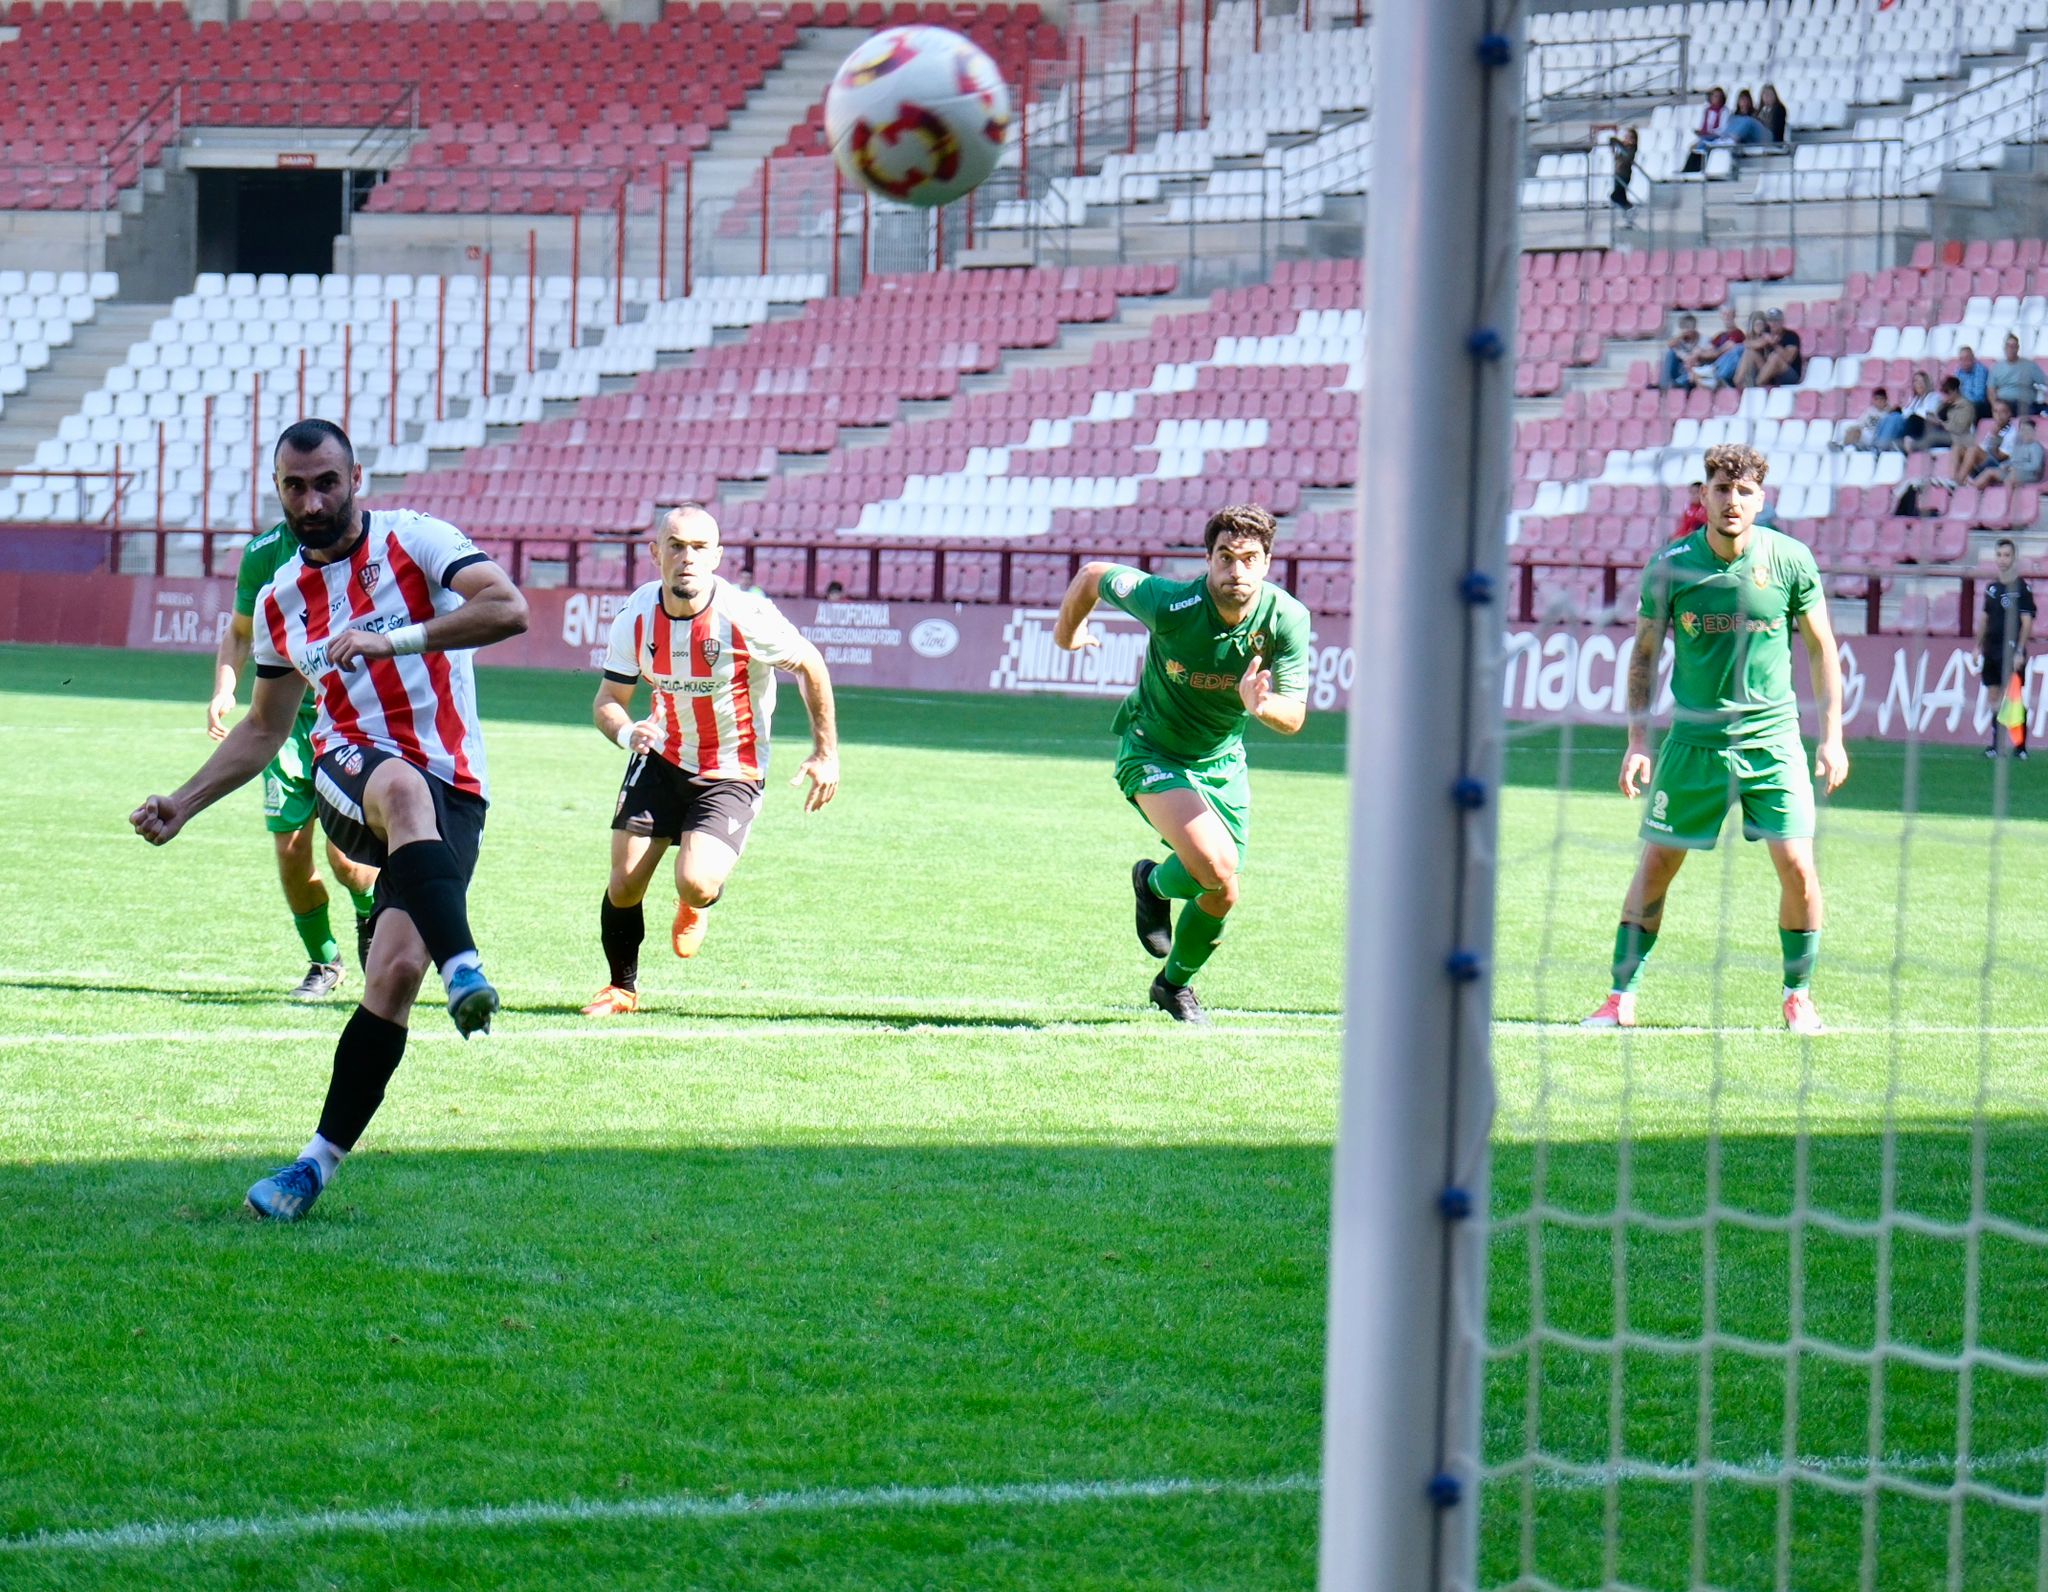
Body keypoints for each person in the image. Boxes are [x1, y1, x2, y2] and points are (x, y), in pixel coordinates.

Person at [130, 419, 529, 1221]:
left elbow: (508, 609)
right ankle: (469, 972)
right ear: (277, 490)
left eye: (325, 484)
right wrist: (186, 800)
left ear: (356, 481)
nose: (310, 501)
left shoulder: (417, 541)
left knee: (393, 975)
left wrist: (397, 642)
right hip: (351, 764)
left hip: (458, 782)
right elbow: (265, 728)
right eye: (293, 487)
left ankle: (311, 1169)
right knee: (402, 793)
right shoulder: (281, 600)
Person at [1582, 443, 1849, 1035]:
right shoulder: (1670, 564)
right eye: (1722, 490)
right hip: (1694, 744)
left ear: (1761, 498)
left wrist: (1831, 737)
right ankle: (1618, 998)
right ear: (1703, 496)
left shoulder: (1791, 560)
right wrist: (1637, 741)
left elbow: (1820, 648)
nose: (1732, 501)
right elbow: (1645, 655)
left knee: (1799, 868)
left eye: (1744, 491)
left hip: (1774, 742)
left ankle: (1798, 997)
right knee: (1655, 867)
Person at [1049, 504, 1312, 1025]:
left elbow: (1295, 715)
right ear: (1208, 559)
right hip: (1153, 750)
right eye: (1225, 557)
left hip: (1221, 762)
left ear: (1267, 562)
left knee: (1223, 889)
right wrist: (1067, 636)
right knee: (1214, 868)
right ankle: (1156, 889)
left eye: (1249, 559)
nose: (1236, 571)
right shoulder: (1172, 603)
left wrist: (1262, 707)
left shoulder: (1287, 619)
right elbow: (1093, 576)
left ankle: (1172, 979)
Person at [581, 504, 840, 1017]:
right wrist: (628, 731)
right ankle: (621, 988)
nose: (687, 558)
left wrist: (825, 753)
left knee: (696, 882)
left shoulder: (746, 617)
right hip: (661, 758)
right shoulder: (635, 617)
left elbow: (810, 663)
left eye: (700, 548)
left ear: (717, 557)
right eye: (675, 545)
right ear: (656, 554)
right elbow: (608, 699)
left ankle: (693, 903)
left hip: (732, 768)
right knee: (625, 880)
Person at [209, 519, 381, 999]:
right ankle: (324, 960)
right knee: (289, 852)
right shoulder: (263, 553)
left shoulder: (361, 545)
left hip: (347, 716)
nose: (310, 502)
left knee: (347, 861)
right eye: (295, 486)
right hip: (283, 725)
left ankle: (371, 917)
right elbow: (240, 632)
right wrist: (226, 689)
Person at [1975, 537, 2035, 760]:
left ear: (2014, 558)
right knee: (1993, 694)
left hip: (2011, 650)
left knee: (2014, 697)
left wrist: (2020, 650)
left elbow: (2027, 621)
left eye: (2007, 555)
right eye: (1999, 555)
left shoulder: (2021, 588)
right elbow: (1985, 618)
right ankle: (1996, 745)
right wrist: (1976, 646)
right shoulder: (1991, 588)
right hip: (1991, 649)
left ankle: (2020, 747)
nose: (2002, 559)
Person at [1975, 413, 2043, 488]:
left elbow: (2035, 466)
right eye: (2022, 430)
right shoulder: (2019, 446)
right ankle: (1972, 490)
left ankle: (2007, 499)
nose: (2025, 433)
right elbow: (2012, 460)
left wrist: (2017, 467)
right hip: (2012, 472)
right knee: (1989, 471)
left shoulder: (2036, 447)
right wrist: (2005, 465)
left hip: (2029, 475)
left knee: (2011, 477)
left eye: (2028, 430)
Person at [1958, 396, 2016, 483]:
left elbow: (2000, 457)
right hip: (1985, 463)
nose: (1998, 416)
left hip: (1999, 468)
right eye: (1995, 411)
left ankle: (1958, 483)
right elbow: (1983, 448)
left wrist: (1995, 438)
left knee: (1973, 449)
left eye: (2003, 412)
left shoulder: (2013, 433)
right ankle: (1953, 479)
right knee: (1958, 447)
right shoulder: (1995, 429)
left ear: (2009, 414)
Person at [1936, 375, 1981, 482]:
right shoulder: (1946, 405)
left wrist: (1943, 424)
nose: (1945, 396)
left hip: (1957, 437)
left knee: (1955, 446)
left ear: (1955, 391)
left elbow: (1960, 428)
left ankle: (1953, 480)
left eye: (1947, 392)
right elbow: (1938, 416)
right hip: (1946, 435)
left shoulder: (1966, 406)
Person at [1990, 333, 2047, 416]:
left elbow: (2044, 381)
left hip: (2025, 403)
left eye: (2013, 346)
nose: (2011, 349)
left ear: (2018, 348)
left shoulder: (2029, 365)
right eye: (2008, 346)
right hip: (2004, 403)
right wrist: (1994, 404)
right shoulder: (1996, 367)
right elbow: (1991, 389)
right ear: (2004, 348)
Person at [1682, 87, 1729, 171]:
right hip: (1706, 136)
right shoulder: (1707, 110)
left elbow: (1722, 129)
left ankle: (1695, 168)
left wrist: (1709, 133)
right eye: (1714, 96)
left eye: (1718, 96)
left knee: (1701, 144)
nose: (1716, 98)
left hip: (1717, 136)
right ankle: (1690, 168)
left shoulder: (1724, 111)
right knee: (1693, 146)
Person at [1698, 305, 1746, 386]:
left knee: (1734, 351)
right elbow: (1707, 351)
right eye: (1724, 314)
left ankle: (1712, 369)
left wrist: (1716, 352)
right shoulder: (1720, 335)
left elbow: (1726, 350)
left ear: (1734, 315)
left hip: (1728, 371)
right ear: (1721, 316)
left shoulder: (1738, 334)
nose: (1727, 317)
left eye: (1729, 314)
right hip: (1719, 368)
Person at [1900, 369, 1943, 449]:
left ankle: (1907, 446)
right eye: (1916, 381)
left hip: (1927, 427)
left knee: (1913, 418)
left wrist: (1912, 413)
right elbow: (1905, 414)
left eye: (1921, 381)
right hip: (1913, 426)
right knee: (1895, 417)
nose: (1918, 384)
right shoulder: (1914, 399)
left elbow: (1928, 414)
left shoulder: (1934, 397)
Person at [1662, 313, 1704, 389]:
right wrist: (1680, 336)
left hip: (1694, 371)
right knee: (1670, 354)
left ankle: (1678, 384)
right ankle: (1665, 385)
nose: (1687, 330)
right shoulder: (1678, 340)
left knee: (1693, 363)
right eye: (1684, 327)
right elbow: (1670, 345)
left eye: (1689, 327)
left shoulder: (1702, 339)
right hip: (1680, 369)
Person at [1608, 127, 1639, 229]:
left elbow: (1627, 159)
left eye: (1629, 137)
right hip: (1618, 175)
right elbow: (1612, 140)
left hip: (1624, 176)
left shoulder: (1631, 149)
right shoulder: (1623, 148)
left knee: (1615, 196)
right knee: (1621, 197)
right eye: (1625, 137)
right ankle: (1628, 221)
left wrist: (1621, 145)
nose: (1626, 139)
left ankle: (1630, 208)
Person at [1955, 345, 1990, 413]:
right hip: (1963, 402)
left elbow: (1979, 397)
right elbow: (1956, 390)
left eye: (1967, 358)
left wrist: (1961, 401)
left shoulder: (1980, 370)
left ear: (1973, 358)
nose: (1964, 362)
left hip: (1979, 405)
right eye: (1961, 359)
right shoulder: (1959, 371)